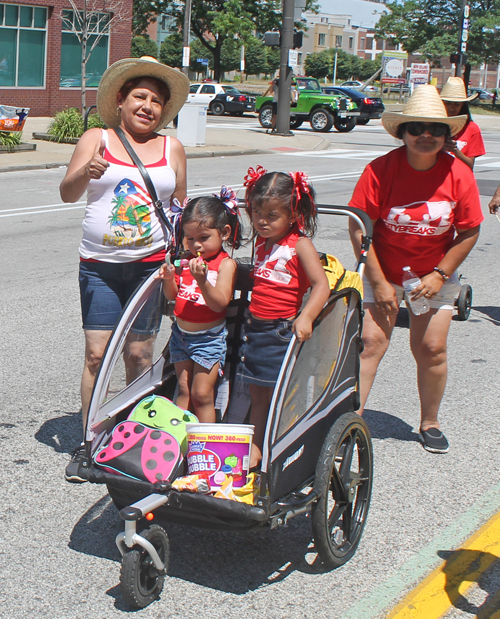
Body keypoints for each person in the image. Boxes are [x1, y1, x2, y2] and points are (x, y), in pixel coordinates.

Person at [60, 56, 189, 482]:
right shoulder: (96, 138)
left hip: (150, 267)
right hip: (99, 267)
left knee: (139, 355)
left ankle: (133, 441)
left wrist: (186, 259)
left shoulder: (173, 148)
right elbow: (67, 192)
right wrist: (86, 170)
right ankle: (89, 442)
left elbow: (179, 209)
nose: (147, 105)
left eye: (156, 100)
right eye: (139, 96)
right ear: (120, 100)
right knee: (97, 355)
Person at [349, 84, 484, 454]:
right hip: (383, 269)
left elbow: (470, 230)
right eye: (417, 127)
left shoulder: (458, 173)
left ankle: (429, 422)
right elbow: (359, 226)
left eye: (436, 129)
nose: (426, 135)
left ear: (447, 134)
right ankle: (349, 421)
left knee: (431, 348)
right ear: (402, 132)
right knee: (371, 343)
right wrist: (379, 280)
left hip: (434, 273)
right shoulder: (381, 169)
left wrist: (439, 274)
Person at [238, 167, 331, 468]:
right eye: (256, 213)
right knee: (257, 392)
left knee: (278, 394)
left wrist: (305, 317)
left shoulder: (299, 245)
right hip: (257, 329)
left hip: (282, 330)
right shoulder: (263, 242)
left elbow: (321, 285)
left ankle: (276, 446)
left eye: (271, 215)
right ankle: (257, 447)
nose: (262, 221)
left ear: (292, 214)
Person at [157, 189, 242, 423]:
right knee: (183, 389)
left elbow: (220, 303)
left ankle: (205, 446)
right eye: (190, 238)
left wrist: (203, 280)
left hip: (208, 339)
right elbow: (173, 296)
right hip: (181, 335)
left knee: (202, 393)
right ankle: (178, 440)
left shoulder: (225, 265)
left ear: (224, 233)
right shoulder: (185, 260)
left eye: (204, 238)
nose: (196, 245)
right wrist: (168, 278)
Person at [440, 77, 485, 170]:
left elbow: (470, 165)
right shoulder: (433, 124)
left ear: (463, 105)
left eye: (457, 104)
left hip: (460, 178)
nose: (452, 108)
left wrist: (455, 151)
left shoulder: (472, 128)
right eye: (448, 103)